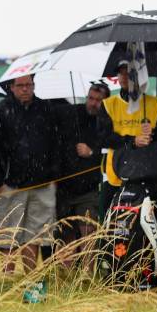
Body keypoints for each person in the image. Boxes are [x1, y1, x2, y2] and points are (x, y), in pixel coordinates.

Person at [0, 75, 60, 273]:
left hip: (42, 183)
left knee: (36, 235)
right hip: (10, 184)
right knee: (9, 236)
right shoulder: (2, 111)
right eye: (21, 85)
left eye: (29, 85)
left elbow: (56, 143)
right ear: (12, 87)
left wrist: (54, 175)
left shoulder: (45, 109)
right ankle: (8, 282)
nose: (25, 89)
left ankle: (31, 280)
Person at [98, 61, 157, 214]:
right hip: (116, 175)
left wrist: (152, 134)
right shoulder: (108, 104)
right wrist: (132, 141)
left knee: (148, 225)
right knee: (108, 225)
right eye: (121, 72)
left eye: (129, 73)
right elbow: (104, 138)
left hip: (147, 174)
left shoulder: (156, 103)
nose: (124, 76)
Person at [56, 83, 110, 267]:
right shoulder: (70, 114)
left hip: (88, 188)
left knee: (88, 233)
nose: (93, 103)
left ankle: (87, 278)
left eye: (98, 100)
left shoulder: (107, 122)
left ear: (105, 102)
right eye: (91, 98)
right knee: (65, 235)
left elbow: (111, 150)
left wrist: (92, 153)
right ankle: (66, 276)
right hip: (64, 187)